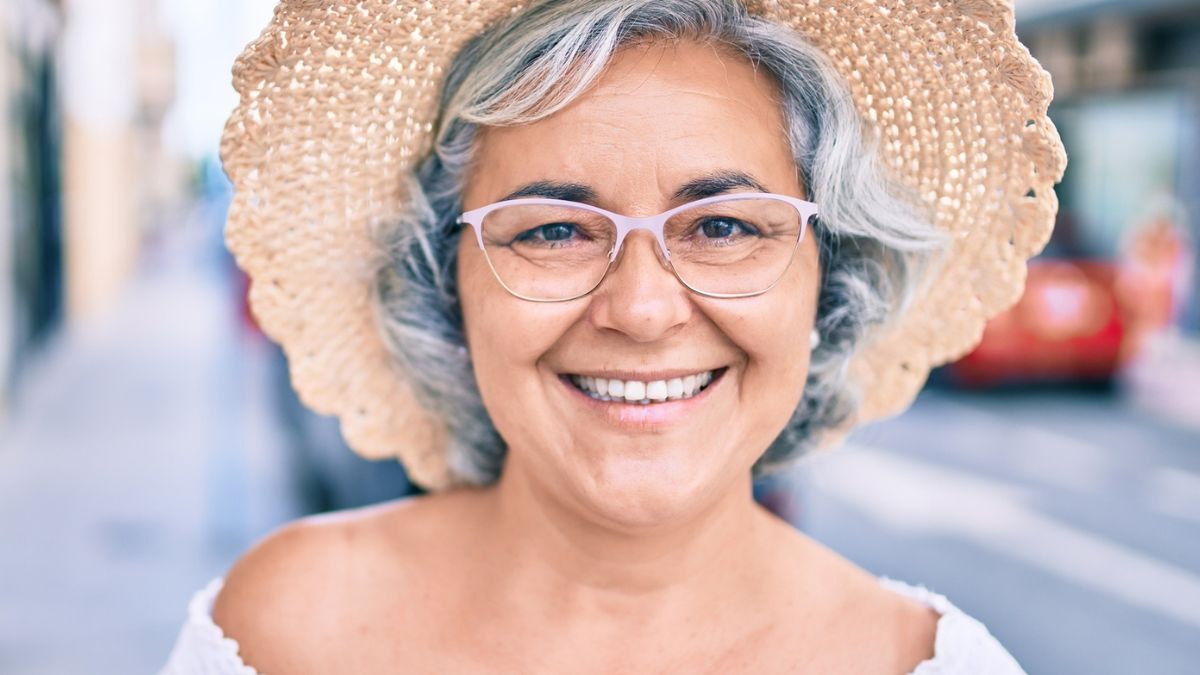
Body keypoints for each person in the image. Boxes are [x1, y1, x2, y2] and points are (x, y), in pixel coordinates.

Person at [162, 0, 1066, 672]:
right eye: (553, 229)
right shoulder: (288, 628)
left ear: (827, 276)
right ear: (449, 285)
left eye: (723, 226)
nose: (641, 309)